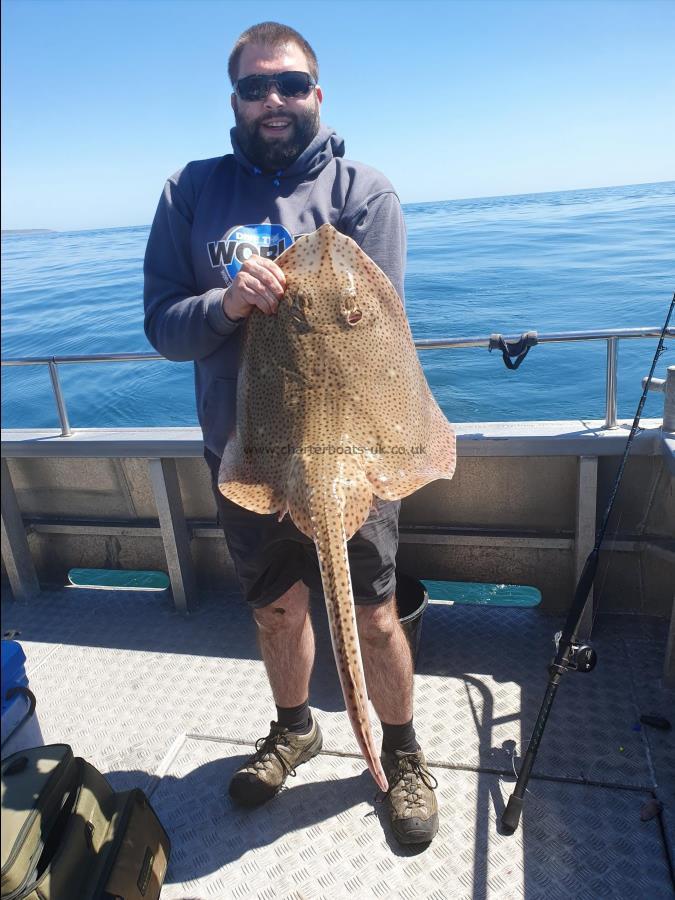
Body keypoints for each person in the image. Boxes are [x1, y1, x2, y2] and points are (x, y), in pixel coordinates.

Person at [143, 21, 438, 845]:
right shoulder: (189, 191)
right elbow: (164, 327)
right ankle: (295, 727)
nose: (273, 100)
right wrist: (227, 304)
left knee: (372, 616)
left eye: (291, 84)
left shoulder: (362, 191)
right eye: (254, 87)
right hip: (250, 454)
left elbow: (381, 329)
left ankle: (403, 752)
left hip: (350, 455)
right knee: (277, 611)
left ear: (317, 93)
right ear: (234, 98)